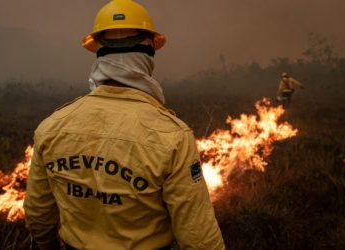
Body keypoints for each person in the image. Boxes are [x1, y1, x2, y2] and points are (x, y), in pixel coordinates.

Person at [23, 0, 225, 249]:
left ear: (98, 53)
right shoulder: (173, 136)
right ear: (148, 53)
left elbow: (38, 214)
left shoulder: (51, 127)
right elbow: (198, 237)